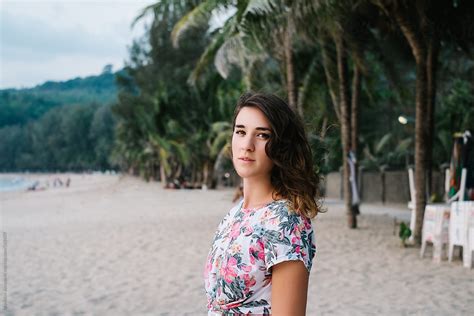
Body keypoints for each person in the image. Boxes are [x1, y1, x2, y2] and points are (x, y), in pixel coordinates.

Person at [204, 92, 322, 315]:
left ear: (281, 146)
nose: (247, 145)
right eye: (240, 132)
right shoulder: (235, 214)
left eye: (262, 135)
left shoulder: (287, 224)